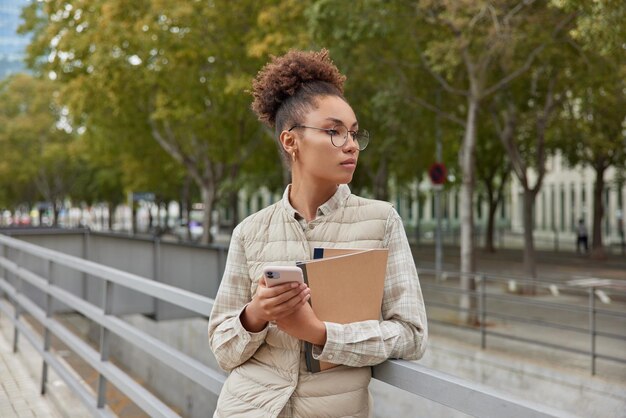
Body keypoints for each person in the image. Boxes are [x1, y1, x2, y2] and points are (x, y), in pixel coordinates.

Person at [208, 49, 427, 418]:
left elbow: (411, 335)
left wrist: (321, 333)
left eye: (354, 133)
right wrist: (256, 313)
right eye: (334, 132)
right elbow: (222, 348)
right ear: (291, 141)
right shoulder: (250, 231)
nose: (352, 144)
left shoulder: (382, 220)